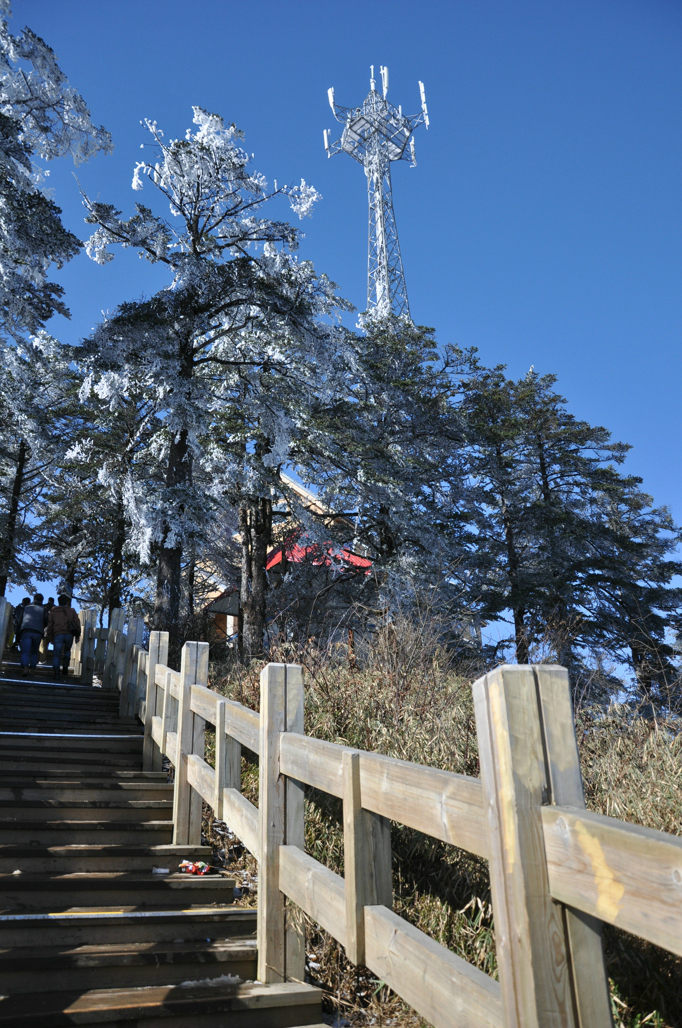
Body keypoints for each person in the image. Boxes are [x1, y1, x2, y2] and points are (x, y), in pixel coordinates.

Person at [46, 594, 81, 681]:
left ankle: (56, 673)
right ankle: (65, 666)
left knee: (56, 654)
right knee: (67, 650)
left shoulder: (53, 611)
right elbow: (77, 623)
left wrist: (50, 636)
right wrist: (77, 635)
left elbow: (50, 624)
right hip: (69, 634)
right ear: (67, 602)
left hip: (57, 634)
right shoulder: (72, 611)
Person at [18, 593, 45, 676]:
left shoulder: (26, 607)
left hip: (26, 630)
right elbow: (46, 621)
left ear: (34, 599)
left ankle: (25, 667)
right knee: (34, 651)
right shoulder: (44, 609)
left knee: (25, 651)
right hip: (38, 632)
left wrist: (18, 634)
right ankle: (32, 668)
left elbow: (20, 620)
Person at [38, 597, 55, 663]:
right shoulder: (56, 609)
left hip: (44, 629)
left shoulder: (44, 607)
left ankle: (42, 659)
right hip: (52, 630)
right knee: (48, 644)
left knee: (42, 645)